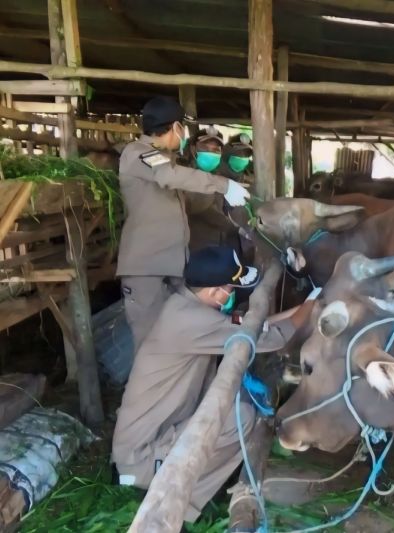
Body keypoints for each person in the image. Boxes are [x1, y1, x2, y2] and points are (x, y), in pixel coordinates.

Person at [112, 246, 310, 522]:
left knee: (235, 403)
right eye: (230, 289)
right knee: (240, 418)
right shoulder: (189, 320)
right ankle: (184, 501)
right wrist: (314, 307)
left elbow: (254, 326)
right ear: (215, 292)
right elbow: (271, 338)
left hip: (160, 433)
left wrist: (303, 308)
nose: (232, 296)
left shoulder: (187, 306)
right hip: (140, 458)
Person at [116, 96, 251, 352]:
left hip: (174, 265)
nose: (184, 134)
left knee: (182, 335)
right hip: (148, 269)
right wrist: (222, 185)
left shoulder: (165, 160)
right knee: (150, 344)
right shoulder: (138, 154)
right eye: (183, 128)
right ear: (176, 127)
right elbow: (169, 177)